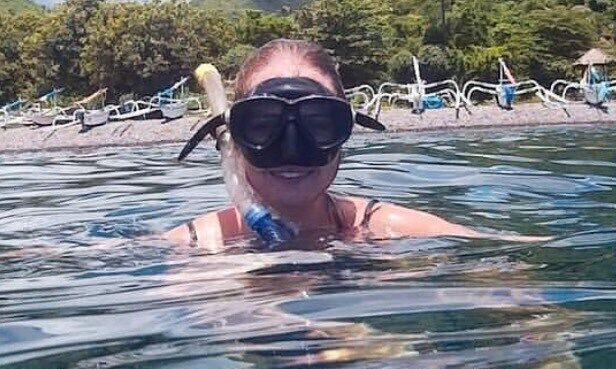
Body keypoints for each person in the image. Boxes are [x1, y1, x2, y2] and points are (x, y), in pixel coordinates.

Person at [166, 39, 481, 250]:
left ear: (345, 131)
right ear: (232, 138)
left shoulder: (394, 229)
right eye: (263, 125)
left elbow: (512, 275)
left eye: (318, 124)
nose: (291, 150)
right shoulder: (190, 248)